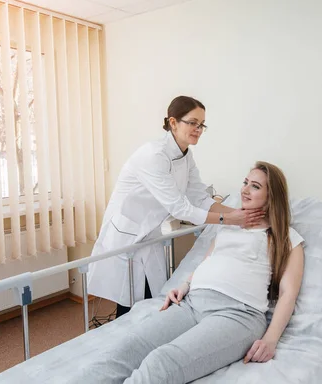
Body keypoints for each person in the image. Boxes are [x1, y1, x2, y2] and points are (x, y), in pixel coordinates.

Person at [108, 161, 306, 384]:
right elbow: (207, 261)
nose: (245, 189)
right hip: (192, 304)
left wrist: (271, 339)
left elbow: (288, 293)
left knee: (161, 362)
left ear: (272, 197)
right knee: (129, 347)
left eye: (255, 186)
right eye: (245, 183)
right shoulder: (228, 226)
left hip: (237, 315)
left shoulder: (286, 237)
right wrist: (184, 285)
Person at [87, 96, 265, 317]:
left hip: (149, 234)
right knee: (130, 299)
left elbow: (200, 198)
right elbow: (180, 209)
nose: (198, 129)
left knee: (149, 297)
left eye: (202, 125)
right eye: (192, 122)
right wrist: (231, 220)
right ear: (173, 123)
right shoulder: (153, 155)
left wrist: (240, 213)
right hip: (126, 234)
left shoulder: (186, 156)